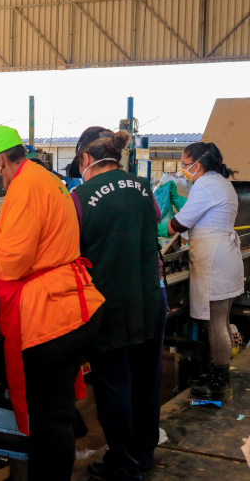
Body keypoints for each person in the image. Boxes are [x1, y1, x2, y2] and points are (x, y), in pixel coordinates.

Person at [0, 126, 104, 481]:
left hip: (51, 312)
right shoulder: (42, 179)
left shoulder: (25, 188)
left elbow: (12, 261)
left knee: (49, 419)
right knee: (55, 414)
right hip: (72, 302)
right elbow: (31, 234)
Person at [68, 128, 165, 481]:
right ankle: (142, 455)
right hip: (150, 295)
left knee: (114, 385)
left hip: (108, 302)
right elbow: (153, 223)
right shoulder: (142, 187)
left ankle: (122, 466)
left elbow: (70, 248)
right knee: (146, 381)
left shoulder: (79, 197)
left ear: (85, 160)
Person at [168, 142, 243, 401]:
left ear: (196, 164)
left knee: (217, 324)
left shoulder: (206, 185)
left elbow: (177, 224)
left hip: (215, 261)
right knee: (219, 322)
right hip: (222, 256)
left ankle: (221, 383)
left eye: (184, 163)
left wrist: (167, 222)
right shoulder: (221, 182)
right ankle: (216, 375)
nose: (183, 169)